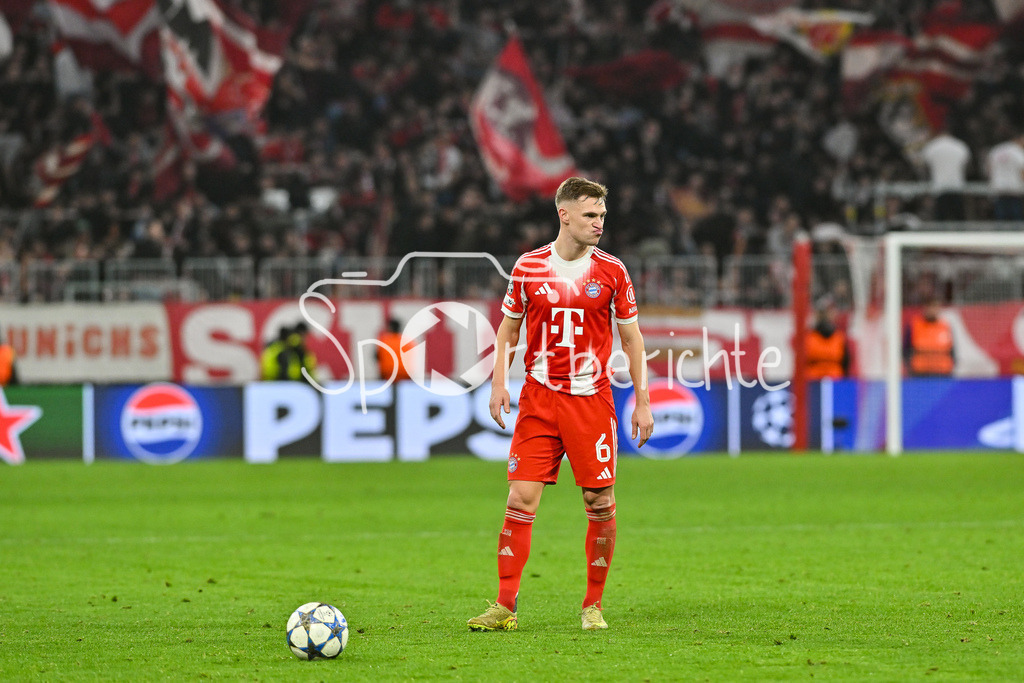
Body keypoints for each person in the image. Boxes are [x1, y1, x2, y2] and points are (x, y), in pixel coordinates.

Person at [467, 177, 654, 633]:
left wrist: (642, 402)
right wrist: (497, 386)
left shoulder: (613, 271)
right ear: (564, 215)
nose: (599, 224)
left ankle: (593, 606)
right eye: (591, 215)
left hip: (591, 400)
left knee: (598, 499)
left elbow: (632, 338)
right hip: (538, 399)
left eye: (603, 216)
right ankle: (504, 606)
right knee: (520, 497)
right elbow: (508, 332)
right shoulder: (528, 268)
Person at [920, 127, 971, 221]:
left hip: (939, 187)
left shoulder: (932, 146)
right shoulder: (960, 146)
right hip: (957, 186)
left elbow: (925, 168)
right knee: (959, 219)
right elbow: (967, 166)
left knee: (941, 220)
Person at [903, 297, 954, 376]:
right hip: (920, 374)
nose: (932, 310)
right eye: (930, 307)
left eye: (935, 307)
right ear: (925, 308)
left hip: (942, 374)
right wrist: (910, 368)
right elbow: (905, 349)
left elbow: (952, 351)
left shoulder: (945, 326)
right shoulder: (914, 325)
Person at [804, 300, 850, 380]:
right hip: (818, 381)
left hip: (831, 381)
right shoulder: (809, 337)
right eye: (822, 313)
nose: (824, 316)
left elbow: (846, 363)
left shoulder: (839, 337)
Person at [985, 133, 1024, 221]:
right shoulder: (1017, 151)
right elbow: (1022, 170)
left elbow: (988, 169)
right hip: (1014, 189)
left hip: (999, 189)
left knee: (1001, 218)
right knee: (1016, 219)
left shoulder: (996, 150)